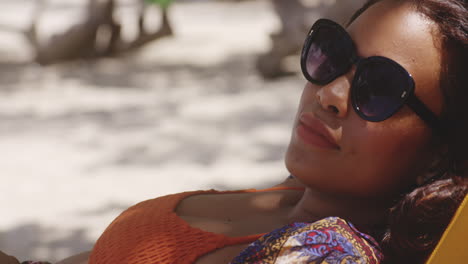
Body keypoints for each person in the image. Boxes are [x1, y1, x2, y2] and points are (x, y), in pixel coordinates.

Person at [55, 0, 467, 263]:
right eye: (334, 55)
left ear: (434, 157)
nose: (330, 93)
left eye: (377, 89)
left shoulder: (328, 254)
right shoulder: (293, 195)